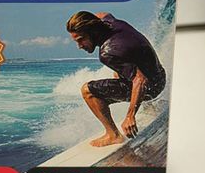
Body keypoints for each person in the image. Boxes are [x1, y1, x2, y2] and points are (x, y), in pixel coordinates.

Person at [66, 11, 166, 147]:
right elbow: (102, 14)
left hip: (152, 89)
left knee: (87, 91)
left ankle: (113, 135)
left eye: (81, 39)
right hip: (160, 76)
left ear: (93, 31)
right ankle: (149, 106)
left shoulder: (108, 53)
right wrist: (83, 20)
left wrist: (130, 116)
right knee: (120, 71)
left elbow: (140, 80)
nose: (79, 46)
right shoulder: (110, 22)